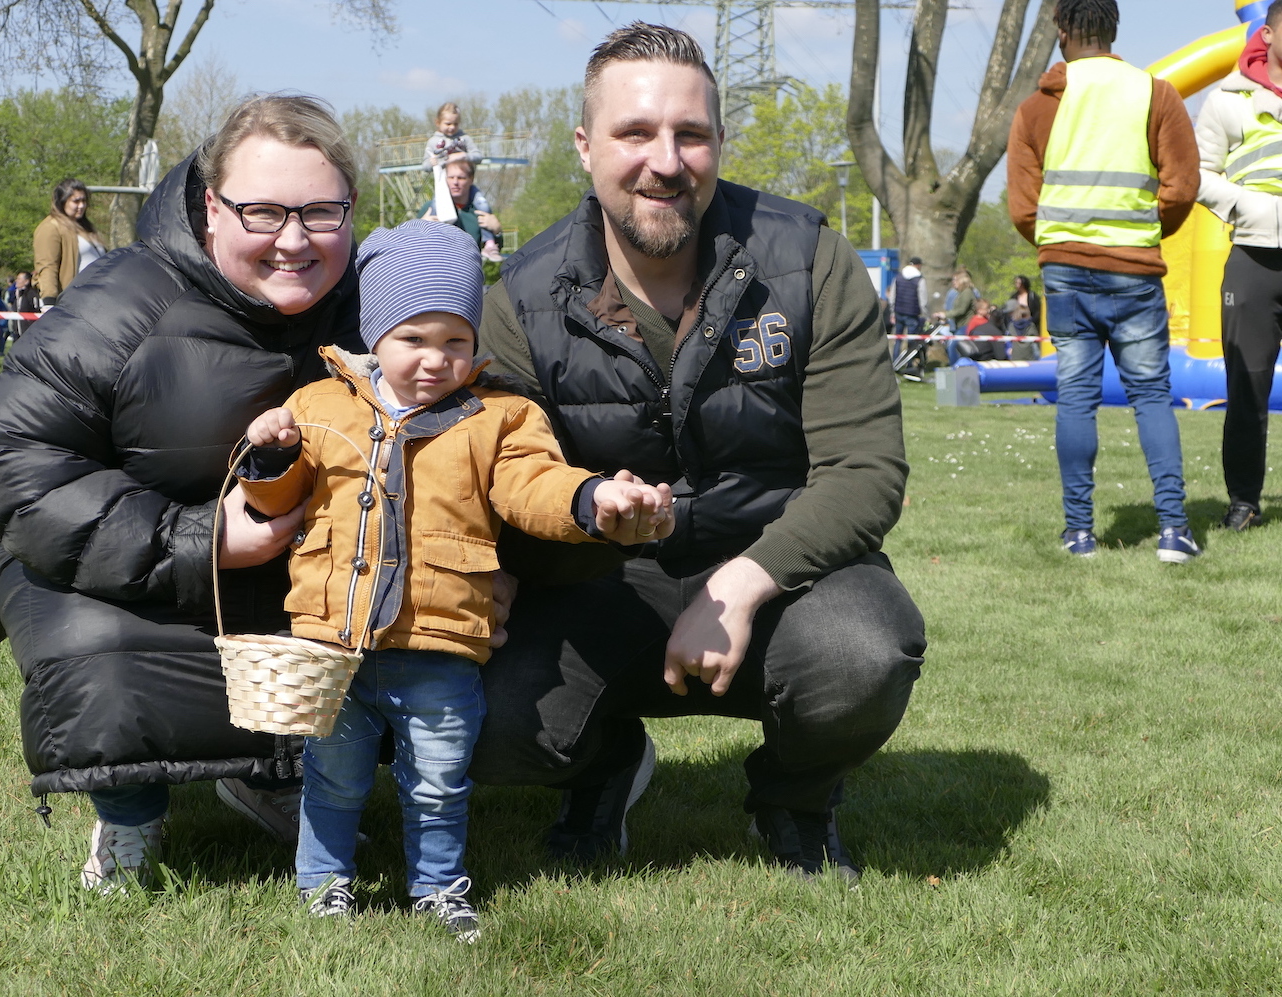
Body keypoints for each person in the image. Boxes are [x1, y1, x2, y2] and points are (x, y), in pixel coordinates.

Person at [473, 22, 925, 880]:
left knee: (864, 653)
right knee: (478, 705)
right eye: (635, 133)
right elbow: (495, 479)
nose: (666, 161)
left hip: (780, 574)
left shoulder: (811, 260)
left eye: (690, 133)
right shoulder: (520, 299)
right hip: (598, 582)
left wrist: (742, 582)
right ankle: (603, 767)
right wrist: (545, 536)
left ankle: (796, 800)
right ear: (585, 146)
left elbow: (866, 472)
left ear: (719, 140)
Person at [0, 95, 373, 892]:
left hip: (296, 570)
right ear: (212, 208)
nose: (294, 239)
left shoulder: (375, 302)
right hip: (116, 563)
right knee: (105, 658)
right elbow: (16, 455)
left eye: (321, 212)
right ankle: (129, 808)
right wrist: (202, 538)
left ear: (351, 209)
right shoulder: (123, 299)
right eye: (263, 212)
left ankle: (275, 776)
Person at [237, 220, 673, 939]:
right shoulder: (318, 406)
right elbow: (277, 501)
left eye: (456, 341)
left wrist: (591, 498)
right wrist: (270, 457)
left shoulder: (500, 417)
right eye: (413, 338)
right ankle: (323, 882)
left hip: (440, 646)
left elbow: (533, 485)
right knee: (332, 776)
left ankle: (438, 887)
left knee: (439, 781)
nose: (436, 359)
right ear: (374, 334)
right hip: (332, 646)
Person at [1009, 0, 1200, 560]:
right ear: (1114, 29)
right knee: (1152, 395)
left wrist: (1060, 242)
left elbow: (1024, 207)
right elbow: (1182, 186)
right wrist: (1143, 231)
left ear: (1061, 30)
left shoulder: (1037, 108)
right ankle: (1173, 531)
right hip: (1135, 270)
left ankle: (1079, 533)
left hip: (1066, 273)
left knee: (1075, 398)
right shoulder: (1156, 94)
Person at [1196, 0, 1282, 533]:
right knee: (1248, 387)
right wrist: (1247, 207)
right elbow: (1198, 173)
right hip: (1253, 257)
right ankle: (1244, 502)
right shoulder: (1227, 98)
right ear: (1267, 34)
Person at [33, 178, 107, 306]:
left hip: (98, 300)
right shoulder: (51, 227)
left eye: (84, 201)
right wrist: (49, 300)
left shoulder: (86, 228)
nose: (81, 205)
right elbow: (47, 266)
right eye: (76, 201)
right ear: (62, 202)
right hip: (72, 302)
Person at [420, 159, 504, 261]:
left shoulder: (479, 212)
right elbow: (410, 247)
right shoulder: (430, 209)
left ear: (471, 179)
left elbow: (496, 250)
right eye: (451, 177)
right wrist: (420, 226)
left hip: (468, 268)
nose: (455, 182)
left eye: (461, 178)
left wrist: (497, 230)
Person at [421, 102, 483, 170]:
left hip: (462, 175)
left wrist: (464, 156)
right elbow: (425, 166)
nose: (452, 127)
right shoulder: (433, 141)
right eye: (448, 124)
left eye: (456, 124)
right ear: (438, 122)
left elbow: (478, 157)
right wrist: (431, 163)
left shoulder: (465, 138)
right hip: (443, 176)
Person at [886, 256, 929, 351]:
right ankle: (909, 359)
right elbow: (923, 300)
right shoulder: (920, 279)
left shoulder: (898, 277)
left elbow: (892, 296)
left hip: (899, 312)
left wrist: (892, 311)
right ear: (918, 265)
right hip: (912, 314)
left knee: (898, 339)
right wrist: (926, 315)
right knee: (911, 340)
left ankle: (896, 358)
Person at [1004, 274, 1042, 360]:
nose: (1017, 285)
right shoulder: (1014, 296)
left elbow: (1038, 310)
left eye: (1019, 283)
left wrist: (1032, 321)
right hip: (1016, 324)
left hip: (1030, 324)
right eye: (1016, 283)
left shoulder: (1032, 296)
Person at [6, 271, 38, 346]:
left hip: (29, 333)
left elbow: (36, 311)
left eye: (19, 279)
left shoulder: (31, 294)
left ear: (26, 281)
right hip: (16, 332)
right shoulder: (15, 294)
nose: (16, 281)